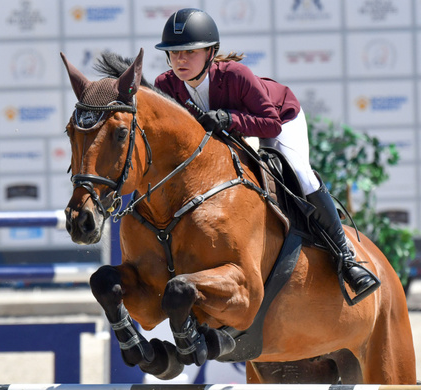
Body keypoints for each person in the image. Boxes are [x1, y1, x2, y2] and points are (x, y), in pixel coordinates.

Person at [154, 8, 380, 305]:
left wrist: (229, 118)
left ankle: (346, 258)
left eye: (189, 52)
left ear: (210, 52)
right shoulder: (165, 86)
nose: (180, 60)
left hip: (279, 118)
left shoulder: (235, 76)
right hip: (231, 133)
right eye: (174, 53)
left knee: (299, 172)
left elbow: (270, 124)